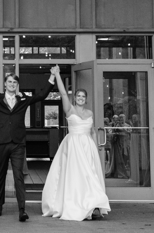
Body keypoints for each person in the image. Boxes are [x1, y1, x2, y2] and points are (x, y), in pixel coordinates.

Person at [0, 66, 54, 221]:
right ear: (5, 84)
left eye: (15, 82)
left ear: (17, 85)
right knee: (0, 174)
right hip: (1, 142)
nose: (12, 84)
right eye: (9, 82)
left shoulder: (24, 99)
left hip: (18, 143)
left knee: (18, 175)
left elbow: (42, 95)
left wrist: (52, 77)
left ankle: (22, 210)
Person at [41, 66, 111, 221]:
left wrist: (96, 147)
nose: (80, 98)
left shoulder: (90, 113)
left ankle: (92, 205)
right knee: (76, 176)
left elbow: (92, 130)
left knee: (90, 175)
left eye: (83, 96)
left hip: (88, 146)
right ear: (75, 98)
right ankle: (77, 204)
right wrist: (57, 75)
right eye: (78, 96)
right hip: (73, 146)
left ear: (86, 99)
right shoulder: (70, 109)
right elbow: (63, 93)